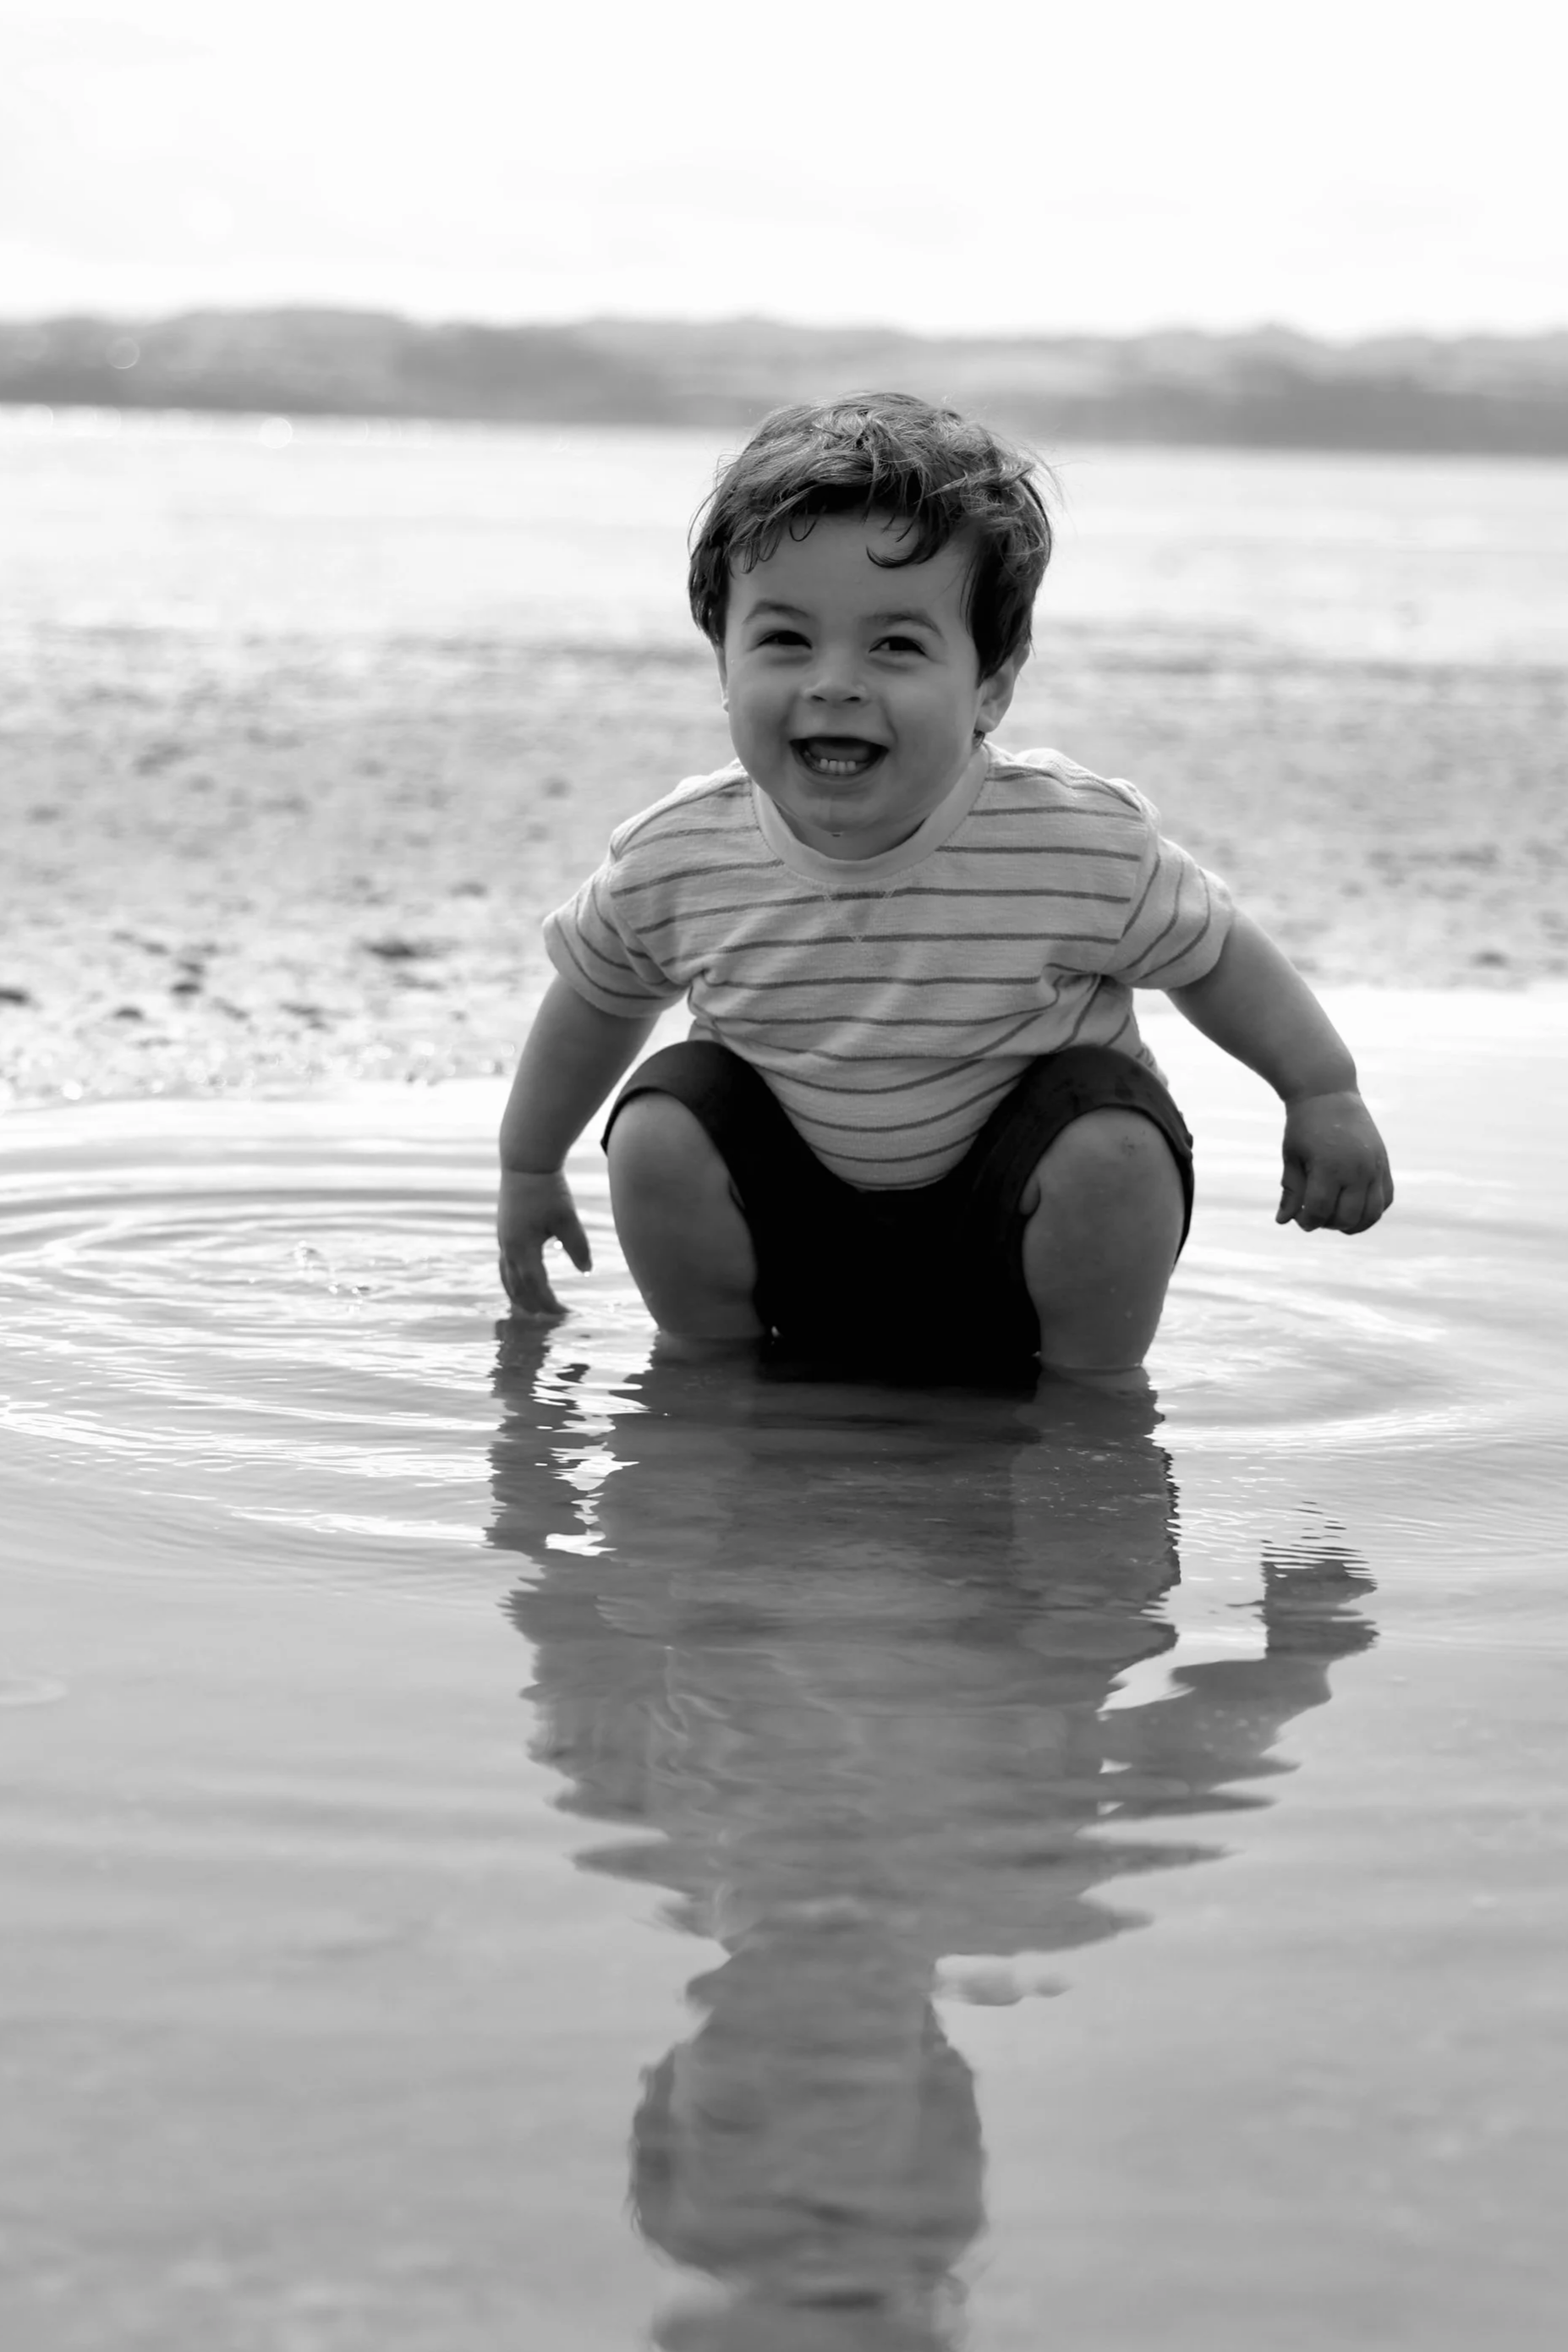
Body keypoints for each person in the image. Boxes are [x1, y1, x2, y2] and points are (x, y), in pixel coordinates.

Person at [496, 393, 1393, 1373]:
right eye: (786, 640)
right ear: (723, 659)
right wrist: (530, 1165)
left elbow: (1215, 957)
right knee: (666, 1118)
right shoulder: (681, 854)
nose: (835, 681)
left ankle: (1088, 1419)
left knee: (1111, 1132)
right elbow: (597, 998)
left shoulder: (1071, 840)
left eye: (896, 646)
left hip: (1017, 1249)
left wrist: (1322, 1091)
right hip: (796, 1252)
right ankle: (713, 1397)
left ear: (992, 685)